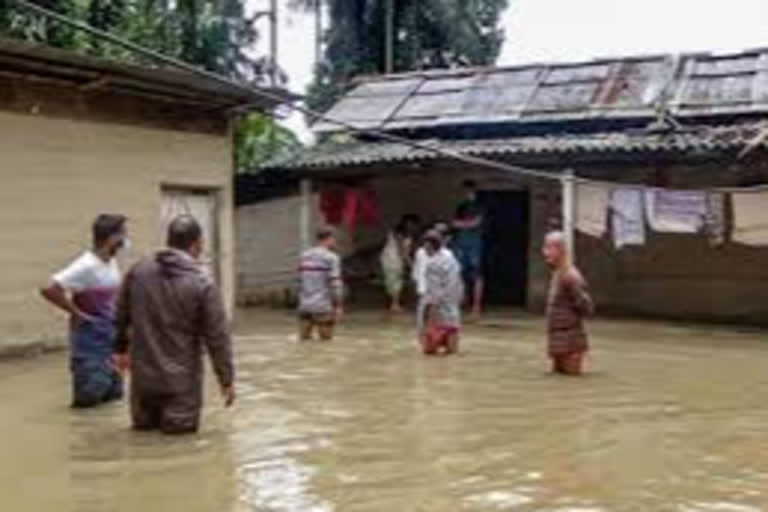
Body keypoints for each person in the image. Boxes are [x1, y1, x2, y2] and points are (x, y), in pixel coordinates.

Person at [113, 215, 235, 434]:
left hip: (142, 383)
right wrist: (226, 380)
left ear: (168, 240)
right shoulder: (202, 282)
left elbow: (120, 315)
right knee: (180, 448)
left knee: (142, 443)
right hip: (181, 387)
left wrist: (119, 350)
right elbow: (217, 338)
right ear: (198, 244)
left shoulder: (137, 272)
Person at [40, 214, 128, 408]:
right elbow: (49, 288)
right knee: (89, 404)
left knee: (113, 401)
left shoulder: (110, 263)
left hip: (110, 346)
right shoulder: (86, 265)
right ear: (112, 238)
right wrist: (76, 313)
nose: (125, 241)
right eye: (123, 235)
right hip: (90, 350)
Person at [542, 231, 594, 376]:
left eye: (548, 248)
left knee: (571, 380)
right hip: (556, 338)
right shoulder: (558, 274)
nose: (545, 252)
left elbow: (587, 307)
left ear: (560, 250)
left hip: (570, 340)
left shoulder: (570, 276)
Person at [421, 230, 464, 356]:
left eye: (425, 245)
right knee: (452, 352)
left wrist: (430, 316)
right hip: (453, 308)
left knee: (429, 352)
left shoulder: (432, 264)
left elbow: (434, 294)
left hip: (440, 311)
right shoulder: (451, 258)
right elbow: (459, 283)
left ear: (429, 245)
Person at [298, 228, 344, 341]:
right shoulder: (332, 258)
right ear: (328, 239)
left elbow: (300, 281)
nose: (334, 242)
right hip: (323, 307)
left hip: (305, 306)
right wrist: (338, 305)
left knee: (304, 341)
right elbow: (335, 284)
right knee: (326, 343)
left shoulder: (304, 256)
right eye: (333, 239)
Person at [452, 180, 484, 318]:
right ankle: (462, 302)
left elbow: (477, 223)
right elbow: (454, 223)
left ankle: (476, 306)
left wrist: (464, 224)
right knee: (459, 273)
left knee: (476, 274)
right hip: (461, 242)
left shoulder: (480, 206)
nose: (466, 193)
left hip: (474, 243)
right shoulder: (461, 206)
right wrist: (467, 224)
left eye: (468, 190)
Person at [380, 215, 419, 313]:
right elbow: (401, 250)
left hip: (397, 259)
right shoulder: (398, 234)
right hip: (391, 259)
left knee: (396, 281)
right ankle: (394, 304)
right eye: (413, 224)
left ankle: (394, 303)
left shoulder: (409, 235)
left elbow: (406, 251)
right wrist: (410, 263)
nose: (414, 227)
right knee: (394, 280)